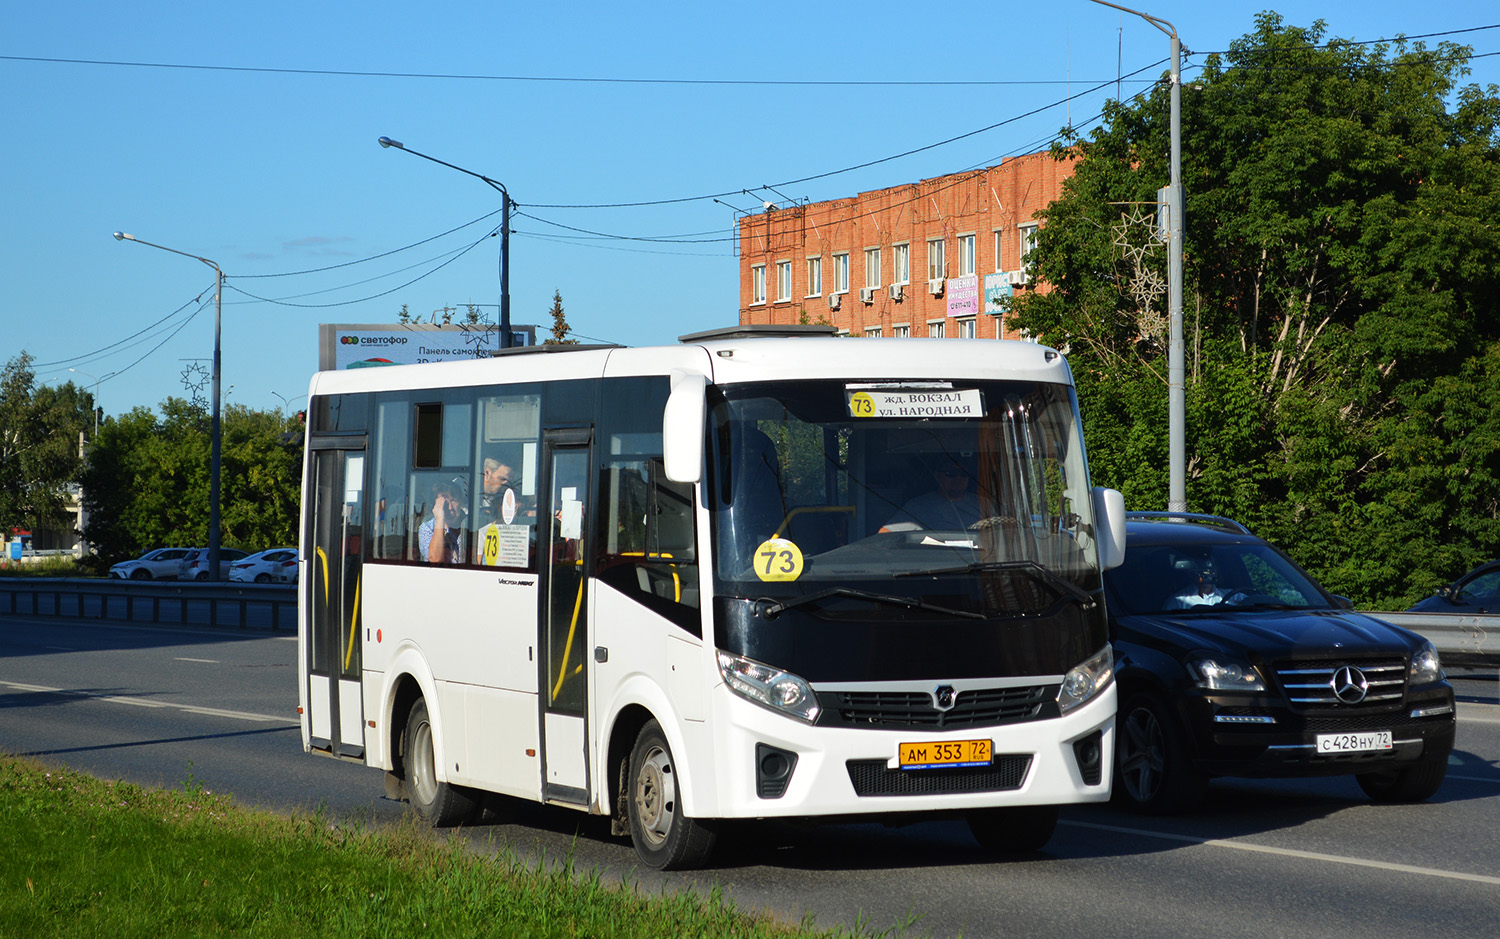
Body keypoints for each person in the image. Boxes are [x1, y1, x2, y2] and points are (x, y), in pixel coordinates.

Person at [882, 458, 985, 532]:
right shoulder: (918, 506)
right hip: (933, 560)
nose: (958, 478)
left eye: (963, 474)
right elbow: (886, 532)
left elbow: (998, 532)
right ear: (937, 475)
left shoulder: (983, 504)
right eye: (951, 473)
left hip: (976, 559)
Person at [417, 480, 465, 563]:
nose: (450, 507)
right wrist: (439, 520)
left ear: (460, 501)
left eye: (453, 501)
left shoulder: (470, 525)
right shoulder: (427, 528)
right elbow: (435, 560)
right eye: (445, 503)